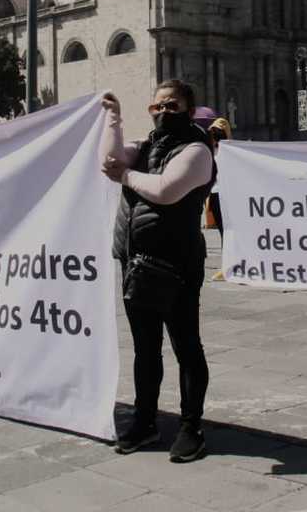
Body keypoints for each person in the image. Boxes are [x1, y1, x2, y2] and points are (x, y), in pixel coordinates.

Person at [100, 80, 215, 463]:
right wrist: (113, 119)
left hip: (176, 261)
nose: (165, 111)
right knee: (145, 349)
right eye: (159, 106)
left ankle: (190, 427)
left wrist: (126, 176)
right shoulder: (146, 146)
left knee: (186, 345)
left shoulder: (198, 150)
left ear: (188, 109)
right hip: (135, 262)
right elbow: (109, 161)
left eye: (173, 105)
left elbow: (167, 190)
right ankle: (145, 421)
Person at [205, 117, 231, 238]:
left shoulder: (230, 152)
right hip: (214, 194)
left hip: (226, 194)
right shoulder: (209, 152)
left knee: (228, 229)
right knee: (222, 229)